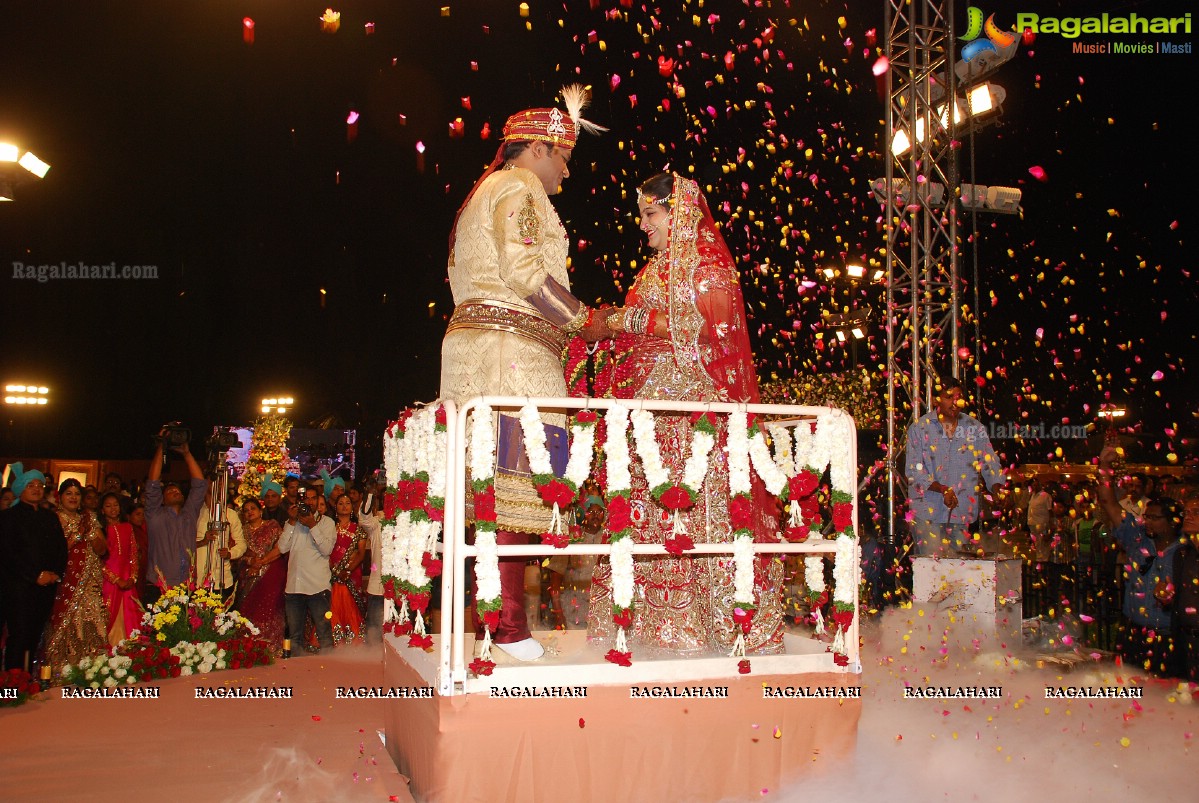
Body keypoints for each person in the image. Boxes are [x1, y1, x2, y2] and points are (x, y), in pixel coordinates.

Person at [439, 86, 609, 662]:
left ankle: (495, 624)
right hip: (510, 356)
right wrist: (587, 322)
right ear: (537, 147)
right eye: (562, 156)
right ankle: (508, 628)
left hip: (478, 354)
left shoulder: (481, 192)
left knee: (491, 495)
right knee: (514, 492)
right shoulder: (519, 186)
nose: (565, 169)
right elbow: (524, 270)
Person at [586, 171, 784, 655]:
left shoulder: (708, 267)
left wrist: (620, 321)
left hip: (695, 420)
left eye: (651, 215)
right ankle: (650, 628)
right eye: (642, 216)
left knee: (699, 519)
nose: (644, 226)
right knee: (644, 518)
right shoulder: (651, 271)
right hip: (648, 421)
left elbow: (709, 327)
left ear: (681, 214)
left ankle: (716, 627)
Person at [1097, 446, 1182, 675]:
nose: (1148, 522)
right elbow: (1109, 503)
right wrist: (1105, 466)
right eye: (1146, 517)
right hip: (1134, 633)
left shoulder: (1185, 553)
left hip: (1168, 637)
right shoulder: (1137, 539)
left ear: (1172, 522)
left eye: (1154, 518)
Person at [904, 376, 1006, 557]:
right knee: (932, 575)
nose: (955, 402)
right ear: (937, 399)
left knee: (959, 575)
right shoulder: (920, 428)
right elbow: (913, 471)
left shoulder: (974, 428)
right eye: (948, 397)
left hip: (961, 513)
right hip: (928, 514)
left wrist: (997, 487)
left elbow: (990, 463)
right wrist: (942, 489)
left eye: (958, 397)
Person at [0, 464, 67, 671]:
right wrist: (35, 575)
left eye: (39, 484)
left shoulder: (50, 517)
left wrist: (55, 575)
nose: (36, 488)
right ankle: (13, 686)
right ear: (21, 489)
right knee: (19, 635)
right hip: (19, 587)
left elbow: (61, 549)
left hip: (46, 586)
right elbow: (8, 554)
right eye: (31, 485)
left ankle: (28, 681)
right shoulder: (8, 517)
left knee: (35, 635)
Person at [43, 479, 110, 676]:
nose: (73, 497)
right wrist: (75, 537)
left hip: (90, 582)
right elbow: (53, 552)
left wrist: (91, 536)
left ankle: (92, 670)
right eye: (68, 494)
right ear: (60, 498)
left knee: (93, 619)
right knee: (68, 622)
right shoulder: (54, 519)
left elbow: (103, 549)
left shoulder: (89, 518)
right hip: (66, 581)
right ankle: (62, 671)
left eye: (77, 494)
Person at [262, 486, 336, 653]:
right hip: (295, 586)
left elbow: (326, 550)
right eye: (305, 499)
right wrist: (292, 522)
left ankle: (330, 670)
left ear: (318, 501)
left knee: (324, 633)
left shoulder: (327, 523)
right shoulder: (292, 523)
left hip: (318, 586)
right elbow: (281, 547)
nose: (308, 502)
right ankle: (296, 672)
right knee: (295, 635)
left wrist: (312, 525)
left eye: (312, 498)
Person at [144, 434, 207, 600]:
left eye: (177, 490)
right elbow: (152, 483)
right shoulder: (155, 515)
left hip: (187, 586)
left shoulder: (190, 514)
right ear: (162, 499)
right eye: (170, 491)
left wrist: (187, 454)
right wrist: (161, 447)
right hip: (159, 587)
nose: (175, 491)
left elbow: (199, 485)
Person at [236, 498, 287, 655]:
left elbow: (280, 548)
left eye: (253, 508)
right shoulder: (242, 531)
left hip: (272, 573)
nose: (250, 511)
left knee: (270, 609)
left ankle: (273, 646)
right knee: (249, 609)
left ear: (260, 510)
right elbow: (239, 553)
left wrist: (262, 562)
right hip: (249, 575)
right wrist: (252, 561)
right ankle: (251, 646)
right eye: (246, 510)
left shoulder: (272, 526)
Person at [99, 492, 141, 644]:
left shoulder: (128, 527)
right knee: (109, 616)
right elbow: (99, 562)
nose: (113, 509)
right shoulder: (100, 530)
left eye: (115, 505)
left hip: (128, 581)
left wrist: (132, 577)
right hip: (109, 582)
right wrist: (116, 580)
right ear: (102, 510)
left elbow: (133, 554)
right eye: (108, 506)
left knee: (129, 616)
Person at [1166, 495, 1199, 681]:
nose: (1188, 516)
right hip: (1186, 641)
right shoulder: (1182, 554)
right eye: (1186, 512)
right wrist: (1166, 597)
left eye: (1196, 512)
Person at [194, 482, 246, 599]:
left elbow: (241, 544)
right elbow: (184, 543)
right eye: (212, 482)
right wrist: (202, 541)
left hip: (222, 577)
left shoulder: (230, 514)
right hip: (198, 578)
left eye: (220, 484)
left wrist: (229, 554)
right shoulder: (195, 513)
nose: (217, 487)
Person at [328, 494, 367, 646]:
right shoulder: (329, 528)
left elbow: (361, 553)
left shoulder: (359, 530)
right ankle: (334, 640)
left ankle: (354, 640)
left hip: (351, 575)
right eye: (341, 503)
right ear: (335, 507)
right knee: (333, 604)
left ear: (352, 507)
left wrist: (347, 571)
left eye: (348, 503)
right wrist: (336, 571)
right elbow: (325, 551)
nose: (344, 506)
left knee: (350, 605)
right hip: (331, 574)